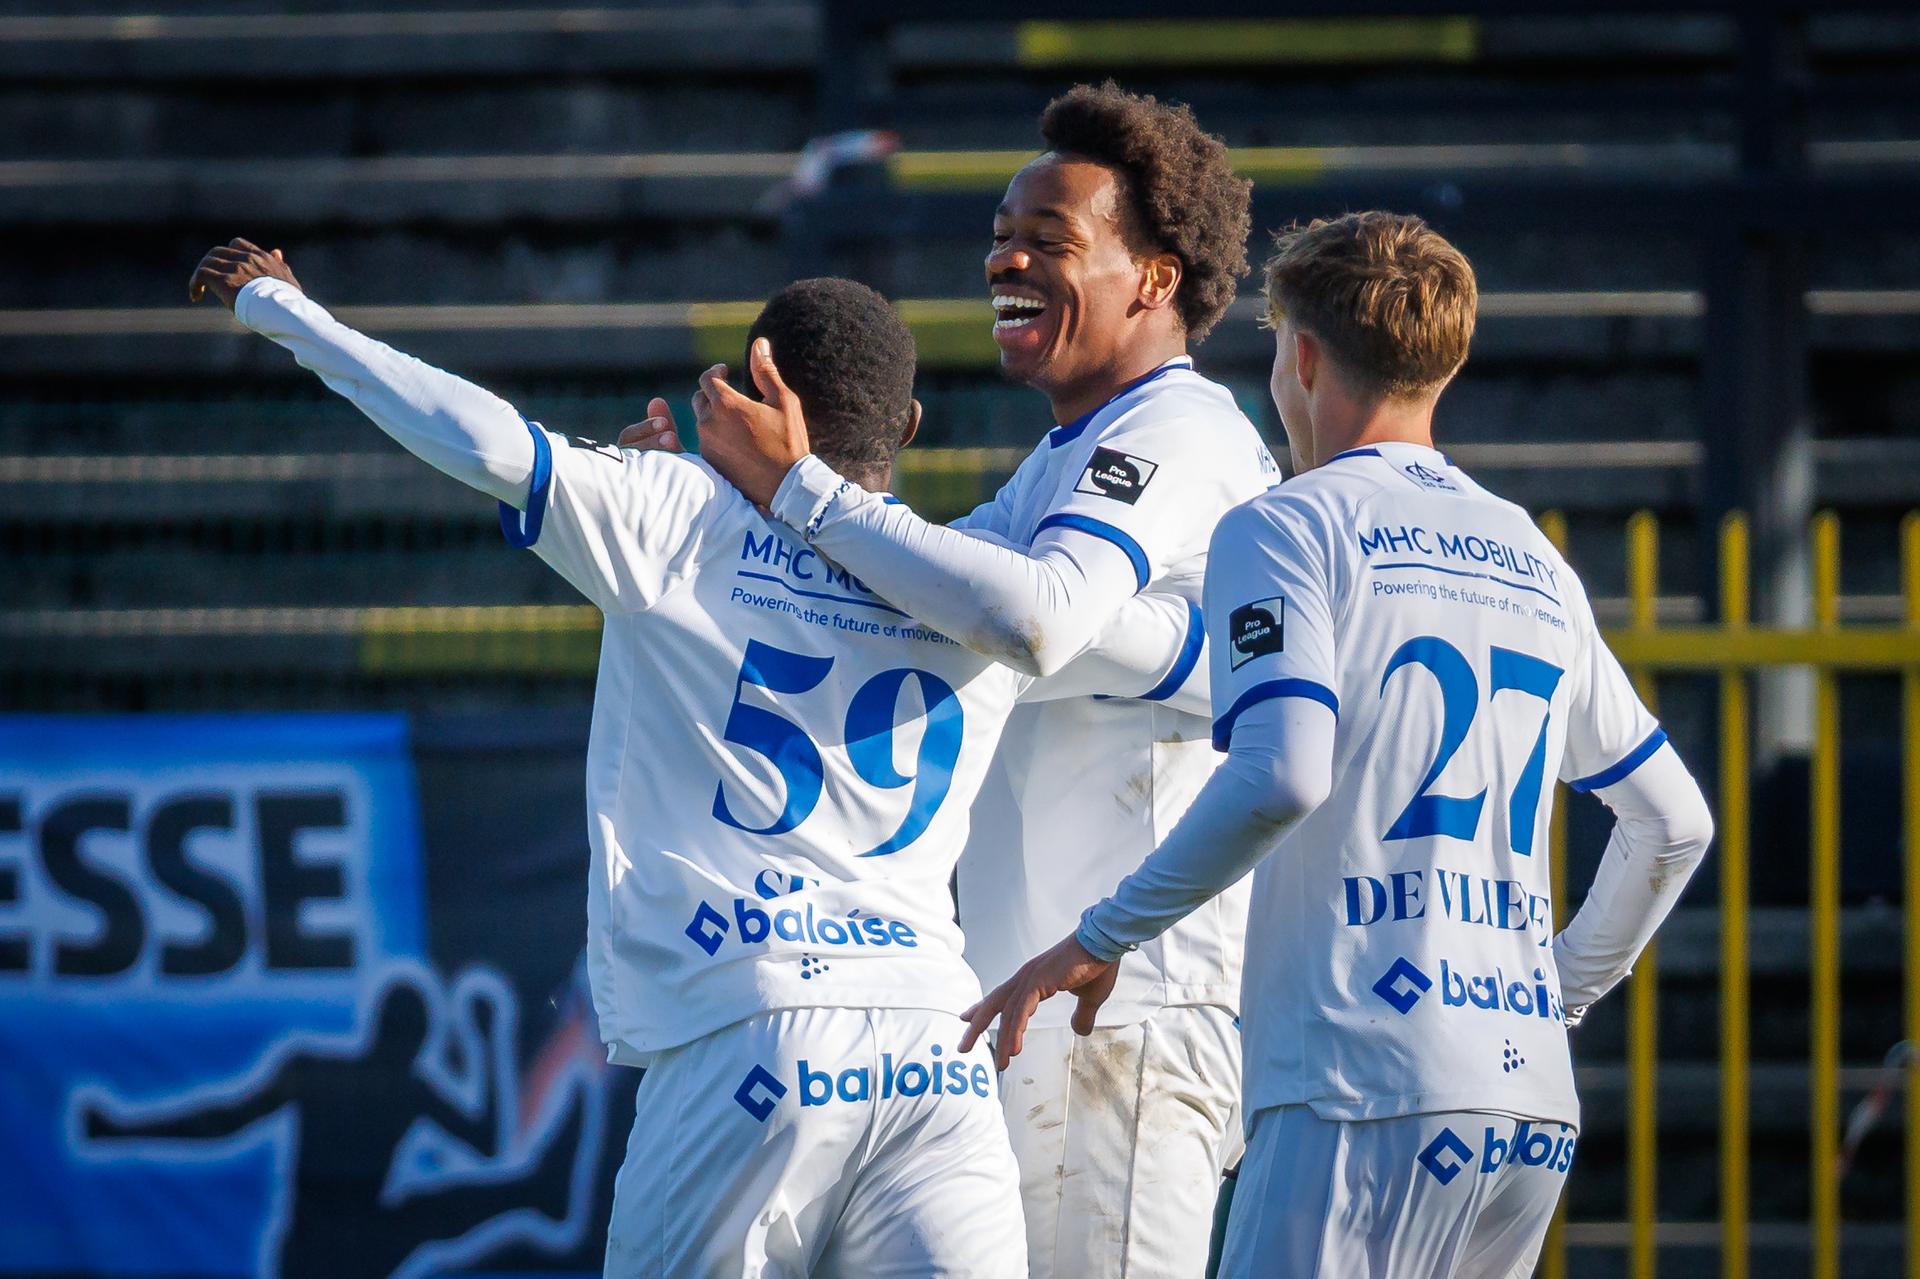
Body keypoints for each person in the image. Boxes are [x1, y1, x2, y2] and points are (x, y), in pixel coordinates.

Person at [188, 241, 1210, 1277]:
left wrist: (290, 314)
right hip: (933, 1055)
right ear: (905, 427)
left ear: (752, 383)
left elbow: (483, 439)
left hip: (750, 1034)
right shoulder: (976, 585)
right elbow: (1171, 654)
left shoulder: (672, 512)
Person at [960, 211, 1716, 1279]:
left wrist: (1103, 933)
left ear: (1302, 356)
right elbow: (1674, 823)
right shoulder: (1532, 556)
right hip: (1524, 1102)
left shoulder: (1288, 525)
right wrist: (1556, 992)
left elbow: (1284, 772)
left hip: (1359, 1087)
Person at [686, 83, 1271, 1278]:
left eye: (1050, 238)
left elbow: (1038, 620)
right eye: (1002, 230)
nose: (1004, 254)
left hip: (1129, 1013)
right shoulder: (1066, 456)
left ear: (1156, 279)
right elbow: (934, 605)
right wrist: (713, 506)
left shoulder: (1179, 430)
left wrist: (803, 494)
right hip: (1044, 1011)